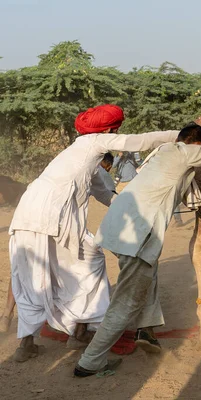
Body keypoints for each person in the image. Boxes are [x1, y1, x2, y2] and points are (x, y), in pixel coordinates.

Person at [74, 104, 201, 377]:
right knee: (126, 302)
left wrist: (199, 204)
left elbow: (183, 187)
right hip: (137, 237)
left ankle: (146, 330)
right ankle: (89, 362)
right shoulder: (190, 151)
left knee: (149, 273)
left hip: (115, 230)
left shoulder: (162, 152)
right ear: (197, 144)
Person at [8, 104, 181, 362]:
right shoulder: (95, 142)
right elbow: (140, 141)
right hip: (56, 214)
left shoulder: (78, 154)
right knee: (91, 264)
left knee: (32, 275)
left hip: (26, 213)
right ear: (110, 128)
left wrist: (132, 208)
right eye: (115, 129)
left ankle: (27, 344)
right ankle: (79, 332)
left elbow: (105, 194)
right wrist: (178, 134)